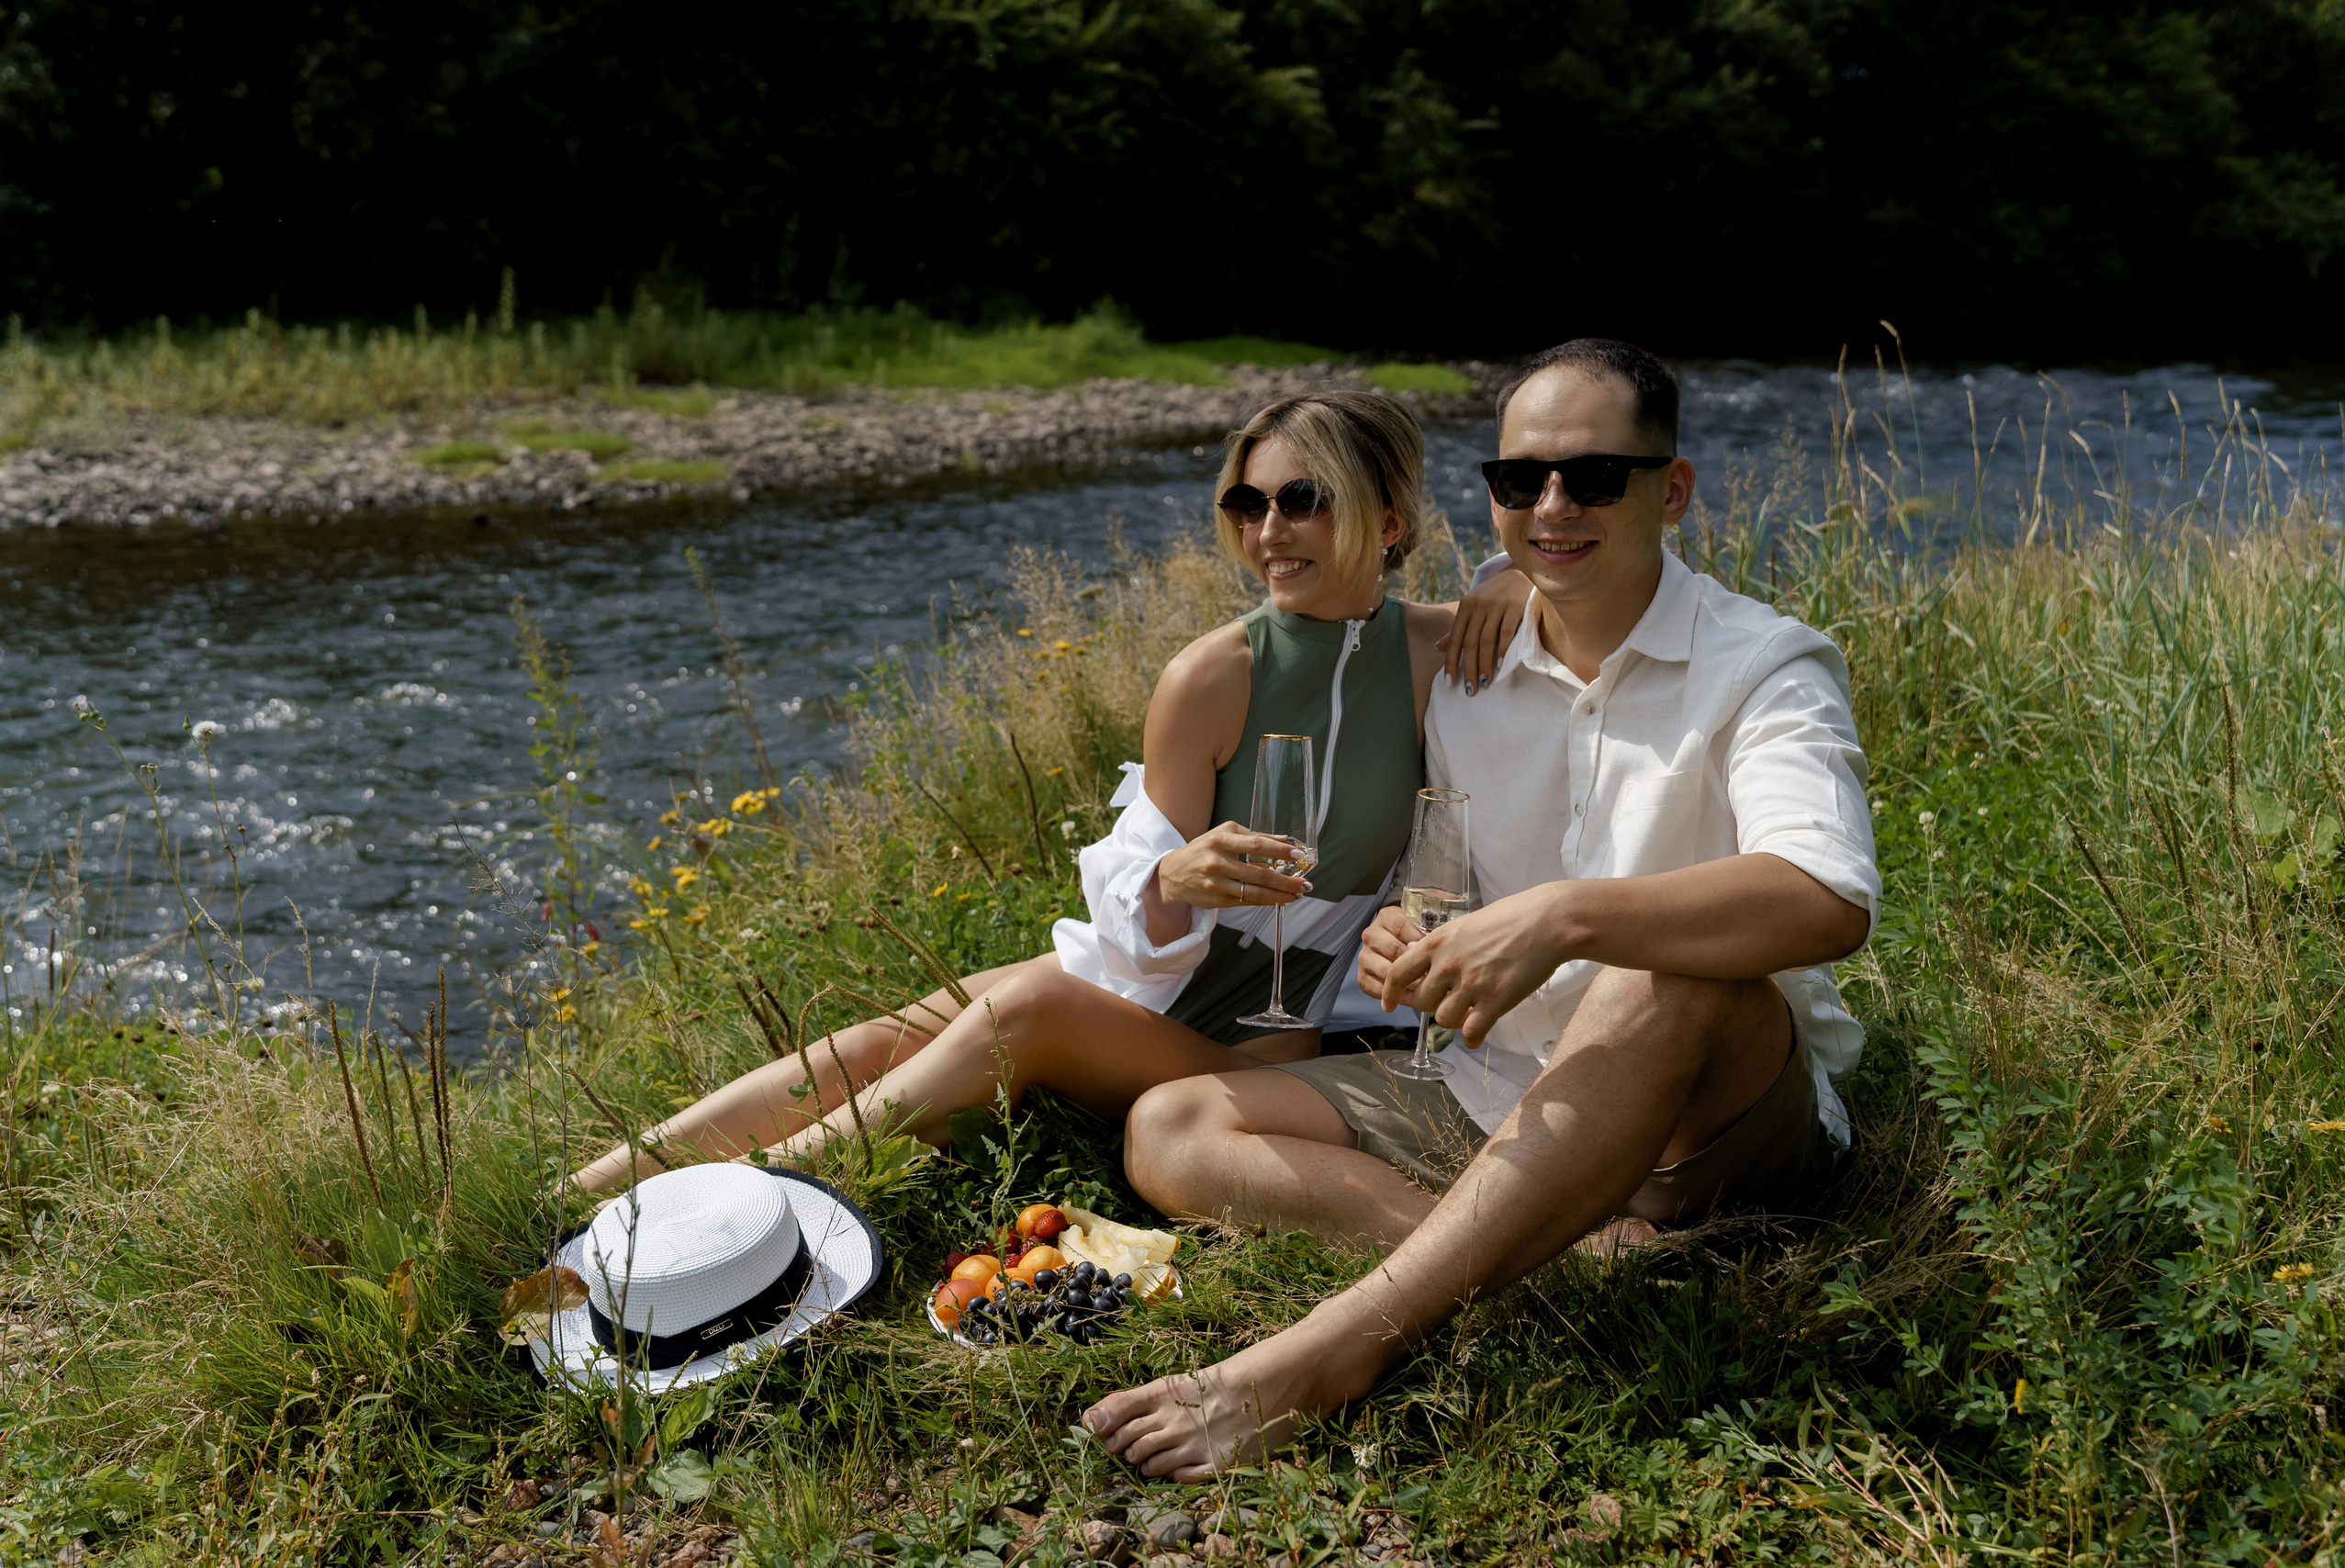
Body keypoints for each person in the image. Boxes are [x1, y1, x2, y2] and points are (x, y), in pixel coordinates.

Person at [1085, 338, 1879, 1480]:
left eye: (1593, 477)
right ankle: (1537, 1244)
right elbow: (1435, 879)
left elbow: (1826, 898)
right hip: (1493, 1086)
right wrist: (1406, 937)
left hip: (1710, 1117)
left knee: (1661, 971)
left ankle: (1330, 1352)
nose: (1552, 506)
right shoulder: (1465, 665)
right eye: (1520, 482)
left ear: (1676, 489)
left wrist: (1563, 917)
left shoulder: (1765, 666)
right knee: (1170, 1126)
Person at [572, 391, 1530, 1192]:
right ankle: (599, 1187)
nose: (1267, 531)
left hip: (1254, 1051)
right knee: (884, 1040)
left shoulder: (1442, 653)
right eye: (1246, 503)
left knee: (1020, 1007)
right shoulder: (1211, 675)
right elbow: (1128, 916)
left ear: (1390, 522)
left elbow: (1587, 584)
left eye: (1301, 500)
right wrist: (1172, 881)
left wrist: (1506, 573)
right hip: (1139, 990)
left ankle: (748, 1198)